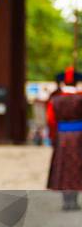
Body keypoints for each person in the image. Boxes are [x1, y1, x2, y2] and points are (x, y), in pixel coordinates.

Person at [47, 66, 82, 211]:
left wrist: (53, 137)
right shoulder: (80, 98)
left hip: (62, 137)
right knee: (77, 167)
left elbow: (51, 120)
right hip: (79, 136)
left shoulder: (55, 100)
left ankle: (66, 201)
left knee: (63, 167)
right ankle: (74, 200)